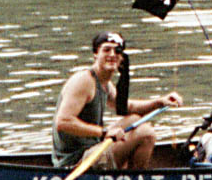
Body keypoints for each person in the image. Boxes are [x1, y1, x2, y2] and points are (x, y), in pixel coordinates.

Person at [52, 31, 183, 170]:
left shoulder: (105, 83)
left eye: (117, 51)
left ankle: (127, 173)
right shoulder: (84, 81)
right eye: (106, 50)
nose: (112, 55)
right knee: (147, 134)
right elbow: (63, 122)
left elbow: (126, 108)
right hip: (76, 162)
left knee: (134, 119)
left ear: (122, 58)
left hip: (91, 149)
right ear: (96, 54)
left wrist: (160, 102)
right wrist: (104, 132)